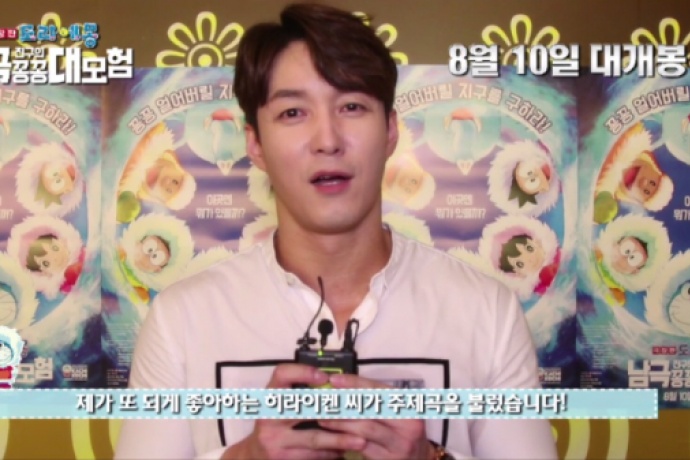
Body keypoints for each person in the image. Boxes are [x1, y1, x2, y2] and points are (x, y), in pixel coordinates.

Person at [115, 3, 557, 459]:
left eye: (351, 106)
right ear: (255, 144)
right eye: (292, 112)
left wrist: (430, 457)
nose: (327, 140)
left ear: (390, 131)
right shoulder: (182, 319)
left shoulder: (486, 311)